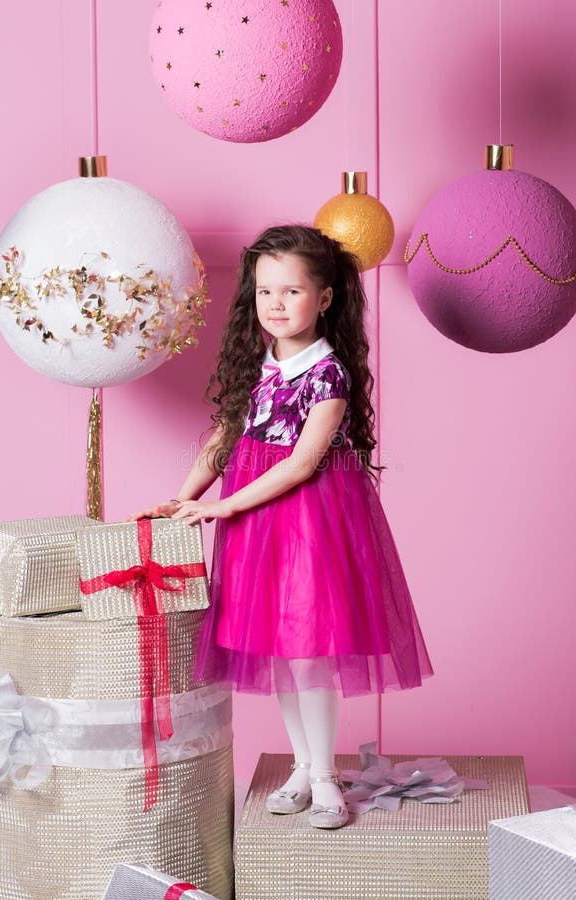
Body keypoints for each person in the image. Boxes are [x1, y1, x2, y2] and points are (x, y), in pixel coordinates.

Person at [129, 225, 433, 830]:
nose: (275, 304)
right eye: (265, 291)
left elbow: (302, 461)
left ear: (323, 298)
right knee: (278, 650)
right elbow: (223, 440)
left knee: (309, 651)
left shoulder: (329, 375)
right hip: (254, 525)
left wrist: (227, 506)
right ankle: (302, 764)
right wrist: (183, 498)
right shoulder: (256, 366)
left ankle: (325, 777)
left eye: (291, 291)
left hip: (309, 521)